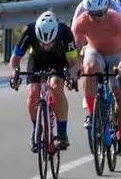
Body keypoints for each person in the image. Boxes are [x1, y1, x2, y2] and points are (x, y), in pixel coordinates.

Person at [73, 0, 121, 156]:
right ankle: (92, 114)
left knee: (119, 93)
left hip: (117, 54)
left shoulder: (117, 19)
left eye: (101, 14)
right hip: (95, 51)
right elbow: (75, 51)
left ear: (106, 9)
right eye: (93, 14)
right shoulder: (81, 21)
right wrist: (75, 69)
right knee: (89, 68)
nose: (97, 18)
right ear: (87, 12)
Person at [9, 11, 78, 152]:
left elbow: (73, 62)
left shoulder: (65, 32)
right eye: (42, 42)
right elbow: (15, 59)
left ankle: (62, 133)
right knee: (32, 93)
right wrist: (14, 73)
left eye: (50, 42)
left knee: (55, 87)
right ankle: (36, 130)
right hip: (37, 61)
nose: (46, 46)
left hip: (58, 61)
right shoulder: (29, 31)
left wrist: (72, 75)